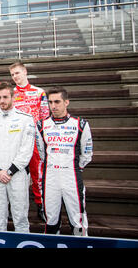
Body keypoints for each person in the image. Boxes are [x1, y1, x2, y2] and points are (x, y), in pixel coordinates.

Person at [36, 87, 93, 236]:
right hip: (51, 177)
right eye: (50, 102)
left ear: (66, 102)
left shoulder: (80, 124)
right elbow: (42, 152)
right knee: (51, 219)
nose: (53, 106)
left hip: (71, 176)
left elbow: (87, 154)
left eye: (57, 102)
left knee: (77, 220)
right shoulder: (41, 125)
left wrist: (73, 167)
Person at [0, 82, 35, 232]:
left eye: (5, 97)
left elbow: (27, 150)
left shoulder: (26, 119)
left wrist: (10, 171)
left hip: (17, 174)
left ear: (13, 97)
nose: (2, 101)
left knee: (20, 218)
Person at [10, 61, 49, 221]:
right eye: (12, 75)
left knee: (37, 173)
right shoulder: (10, 93)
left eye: (17, 73)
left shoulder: (39, 92)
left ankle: (41, 205)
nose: (15, 77)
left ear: (25, 72)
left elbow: (46, 117)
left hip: (34, 139)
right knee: (14, 173)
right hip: (15, 139)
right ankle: (14, 208)